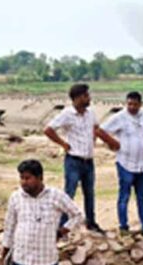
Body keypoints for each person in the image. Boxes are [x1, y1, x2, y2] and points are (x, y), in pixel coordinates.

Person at [44, 83, 119, 234]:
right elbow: (48, 130)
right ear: (77, 98)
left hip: (88, 160)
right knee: (69, 193)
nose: (89, 98)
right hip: (74, 160)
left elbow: (95, 128)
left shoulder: (90, 113)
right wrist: (63, 144)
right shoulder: (67, 114)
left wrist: (97, 141)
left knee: (89, 193)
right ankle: (63, 225)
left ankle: (91, 223)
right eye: (86, 95)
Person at [100, 91, 143, 239]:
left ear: (140, 104)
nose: (132, 107)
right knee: (124, 197)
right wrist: (112, 143)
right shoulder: (120, 117)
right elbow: (100, 131)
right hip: (125, 164)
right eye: (129, 104)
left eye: (135, 104)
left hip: (142, 165)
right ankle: (124, 227)